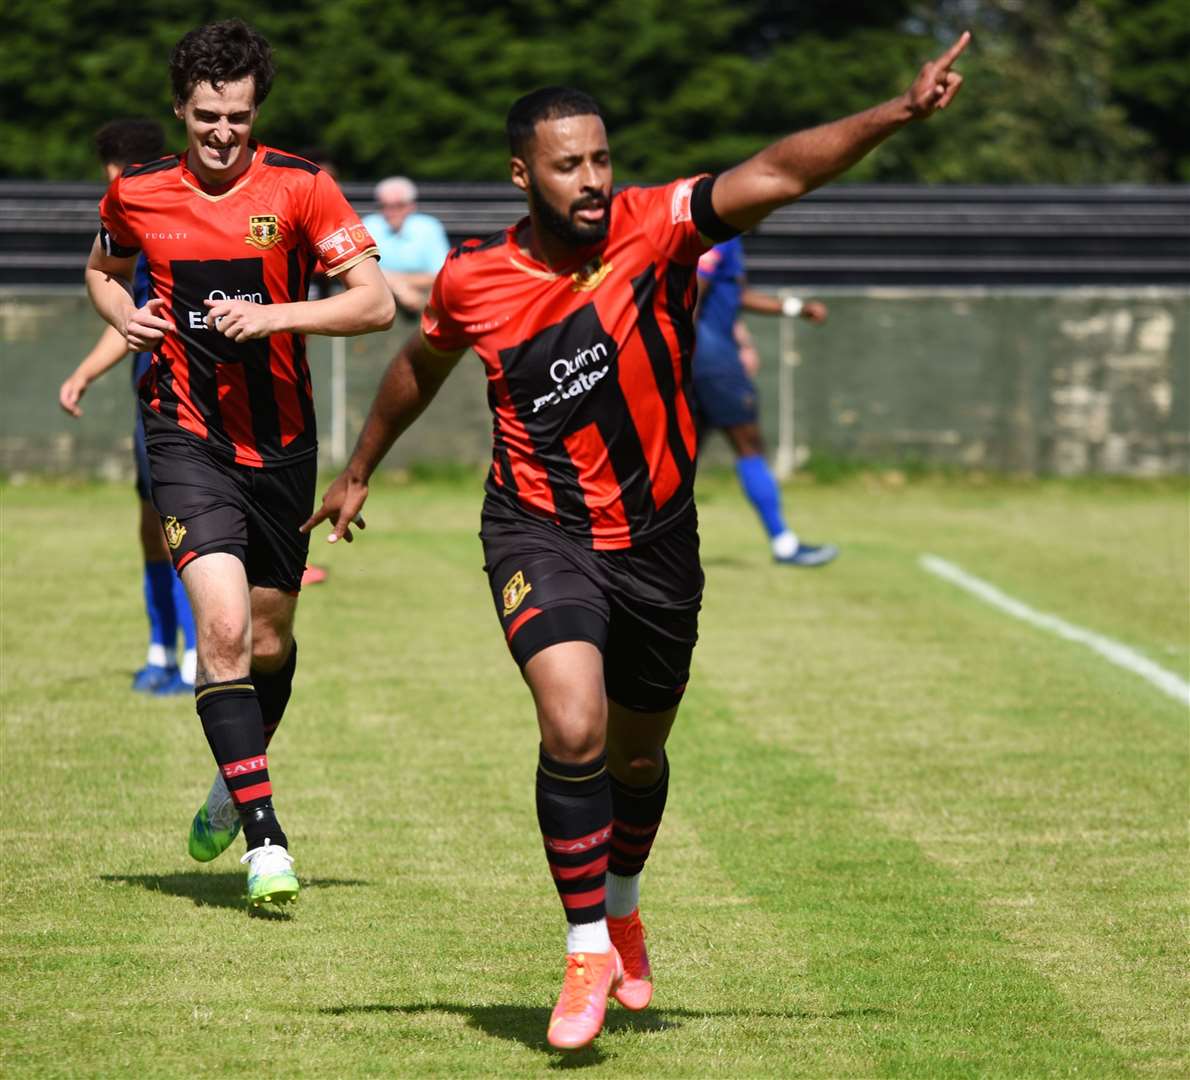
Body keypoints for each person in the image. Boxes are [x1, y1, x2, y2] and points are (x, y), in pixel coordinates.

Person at [305, 33, 969, 1049]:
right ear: (521, 173)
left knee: (637, 756)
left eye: (600, 160)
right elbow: (418, 367)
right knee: (569, 724)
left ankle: (619, 901)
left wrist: (895, 112)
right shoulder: (473, 278)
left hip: (657, 539)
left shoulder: (655, 227)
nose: (588, 180)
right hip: (535, 528)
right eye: (566, 164)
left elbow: (782, 170)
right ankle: (582, 955)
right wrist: (358, 469)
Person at [84, 19, 394, 908]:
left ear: (257, 111)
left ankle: (234, 778)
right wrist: (120, 314)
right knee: (219, 631)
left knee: (267, 640)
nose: (223, 133)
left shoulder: (302, 187)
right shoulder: (140, 192)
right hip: (183, 436)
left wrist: (275, 318)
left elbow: (373, 305)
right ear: (181, 109)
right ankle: (265, 839)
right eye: (208, 116)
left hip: (284, 447)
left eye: (239, 117)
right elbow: (103, 267)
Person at [59, 118, 199, 693]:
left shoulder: (157, 224)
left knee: (183, 529)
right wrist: (86, 373)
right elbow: (133, 322)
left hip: (181, 401)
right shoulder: (138, 228)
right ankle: (161, 650)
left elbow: (142, 323)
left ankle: (193, 656)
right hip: (155, 399)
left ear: (119, 174)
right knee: (153, 526)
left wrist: (84, 373)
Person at [693, 235, 838, 566]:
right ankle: (784, 544)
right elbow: (693, 293)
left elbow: (736, 295)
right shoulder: (718, 235)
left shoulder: (725, 235)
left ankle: (629, 546)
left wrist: (794, 308)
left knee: (677, 458)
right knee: (749, 446)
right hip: (713, 364)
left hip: (703, 360)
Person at [361, 177, 451, 315]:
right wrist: (398, 288)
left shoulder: (429, 227)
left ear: (411, 205)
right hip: (377, 301)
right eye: (385, 205)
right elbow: (360, 271)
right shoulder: (368, 226)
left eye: (399, 205)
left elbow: (440, 274)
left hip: (425, 302)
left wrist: (396, 283)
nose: (391, 211)